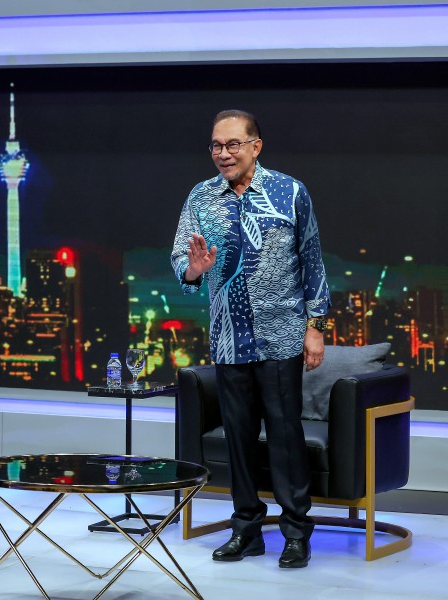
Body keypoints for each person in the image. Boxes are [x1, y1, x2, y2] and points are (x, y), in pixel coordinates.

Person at [171, 110, 331, 569]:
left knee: (285, 434)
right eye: (217, 146)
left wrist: (315, 326)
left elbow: (312, 260)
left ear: (255, 146)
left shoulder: (290, 191)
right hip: (228, 338)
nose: (224, 153)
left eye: (234, 144)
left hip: (281, 334)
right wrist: (194, 270)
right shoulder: (200, 197)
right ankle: (246, 530)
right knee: (238, 437)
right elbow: (182, 257)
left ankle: (296, 533)